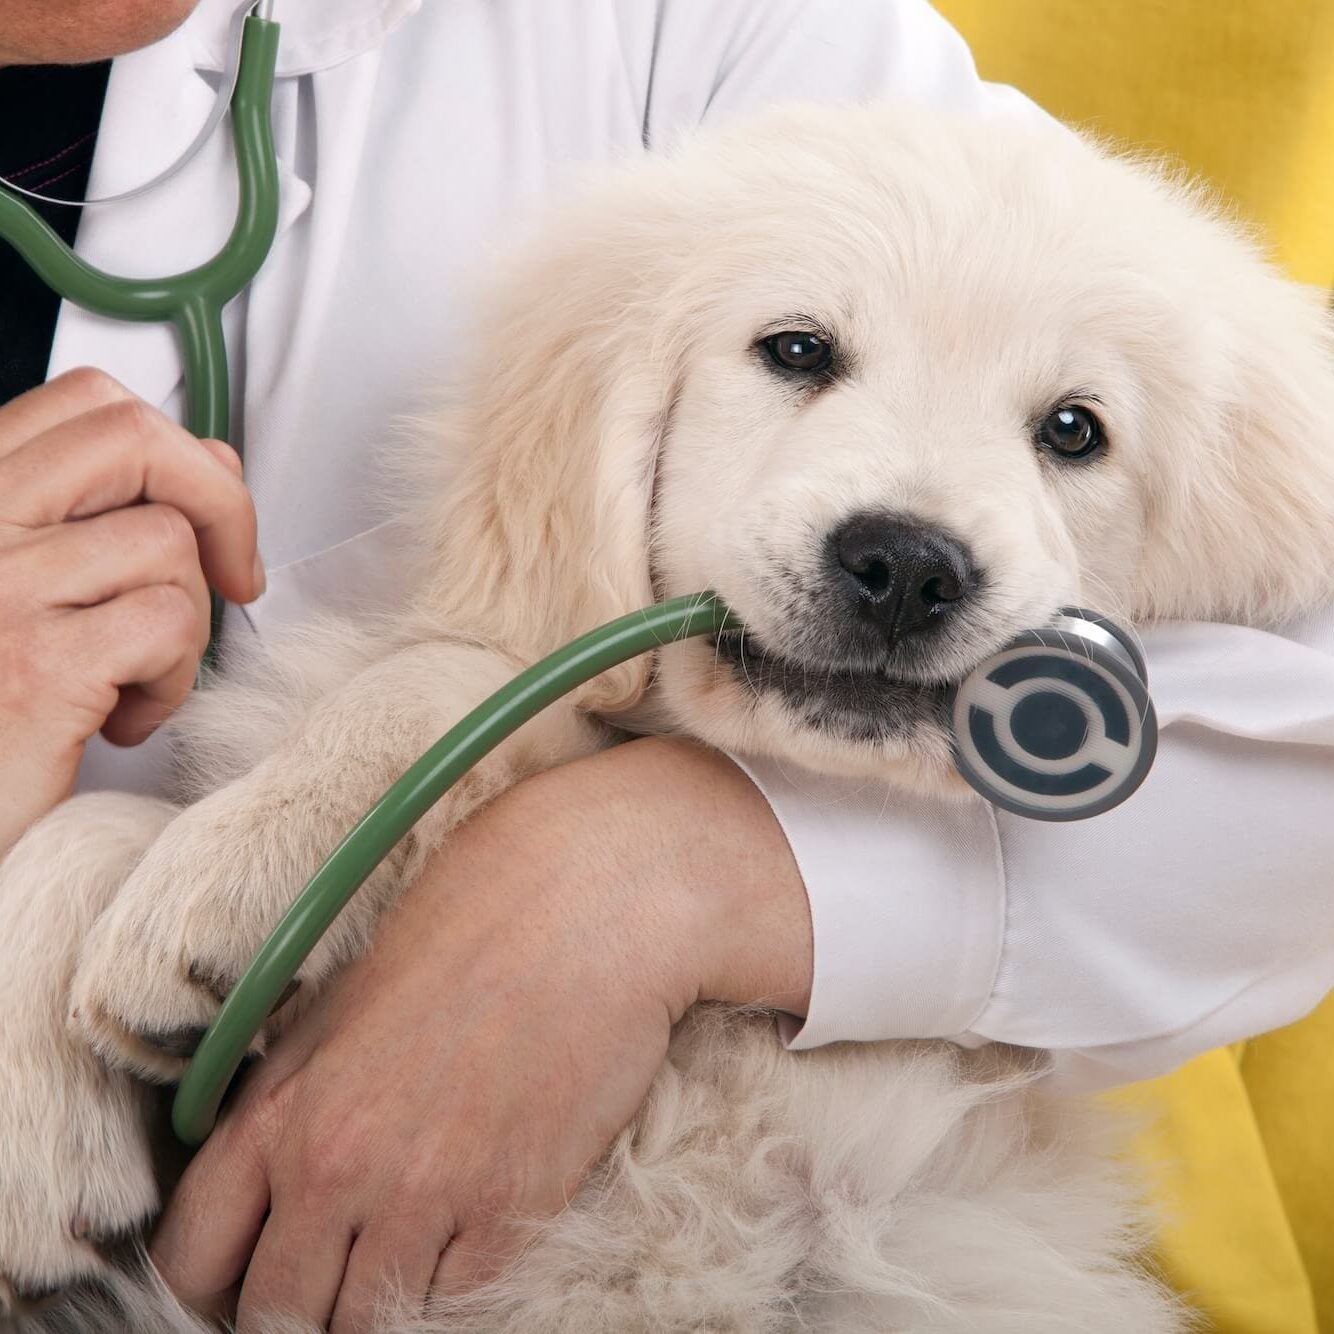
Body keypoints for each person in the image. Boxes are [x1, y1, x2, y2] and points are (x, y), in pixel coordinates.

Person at [1, 1, 1331, 1330]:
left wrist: (655, 879)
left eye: (1072, 428)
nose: (916, 556)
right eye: (799, 355)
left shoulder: (688, 37)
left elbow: (1294, 721)